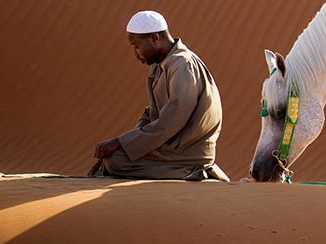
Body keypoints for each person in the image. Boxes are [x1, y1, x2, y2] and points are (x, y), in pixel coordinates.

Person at [89, 10, 229, 181]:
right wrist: (122, 144)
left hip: (187, 150)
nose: (135, 54)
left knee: (116, 162)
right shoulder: (160, 67)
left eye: (137, 46)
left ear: (155, 38)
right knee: (114, 158)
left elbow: (173, 118)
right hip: (170, 146)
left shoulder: (182, 64)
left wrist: (120, 143)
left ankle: (195, 172)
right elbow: (152, 115)